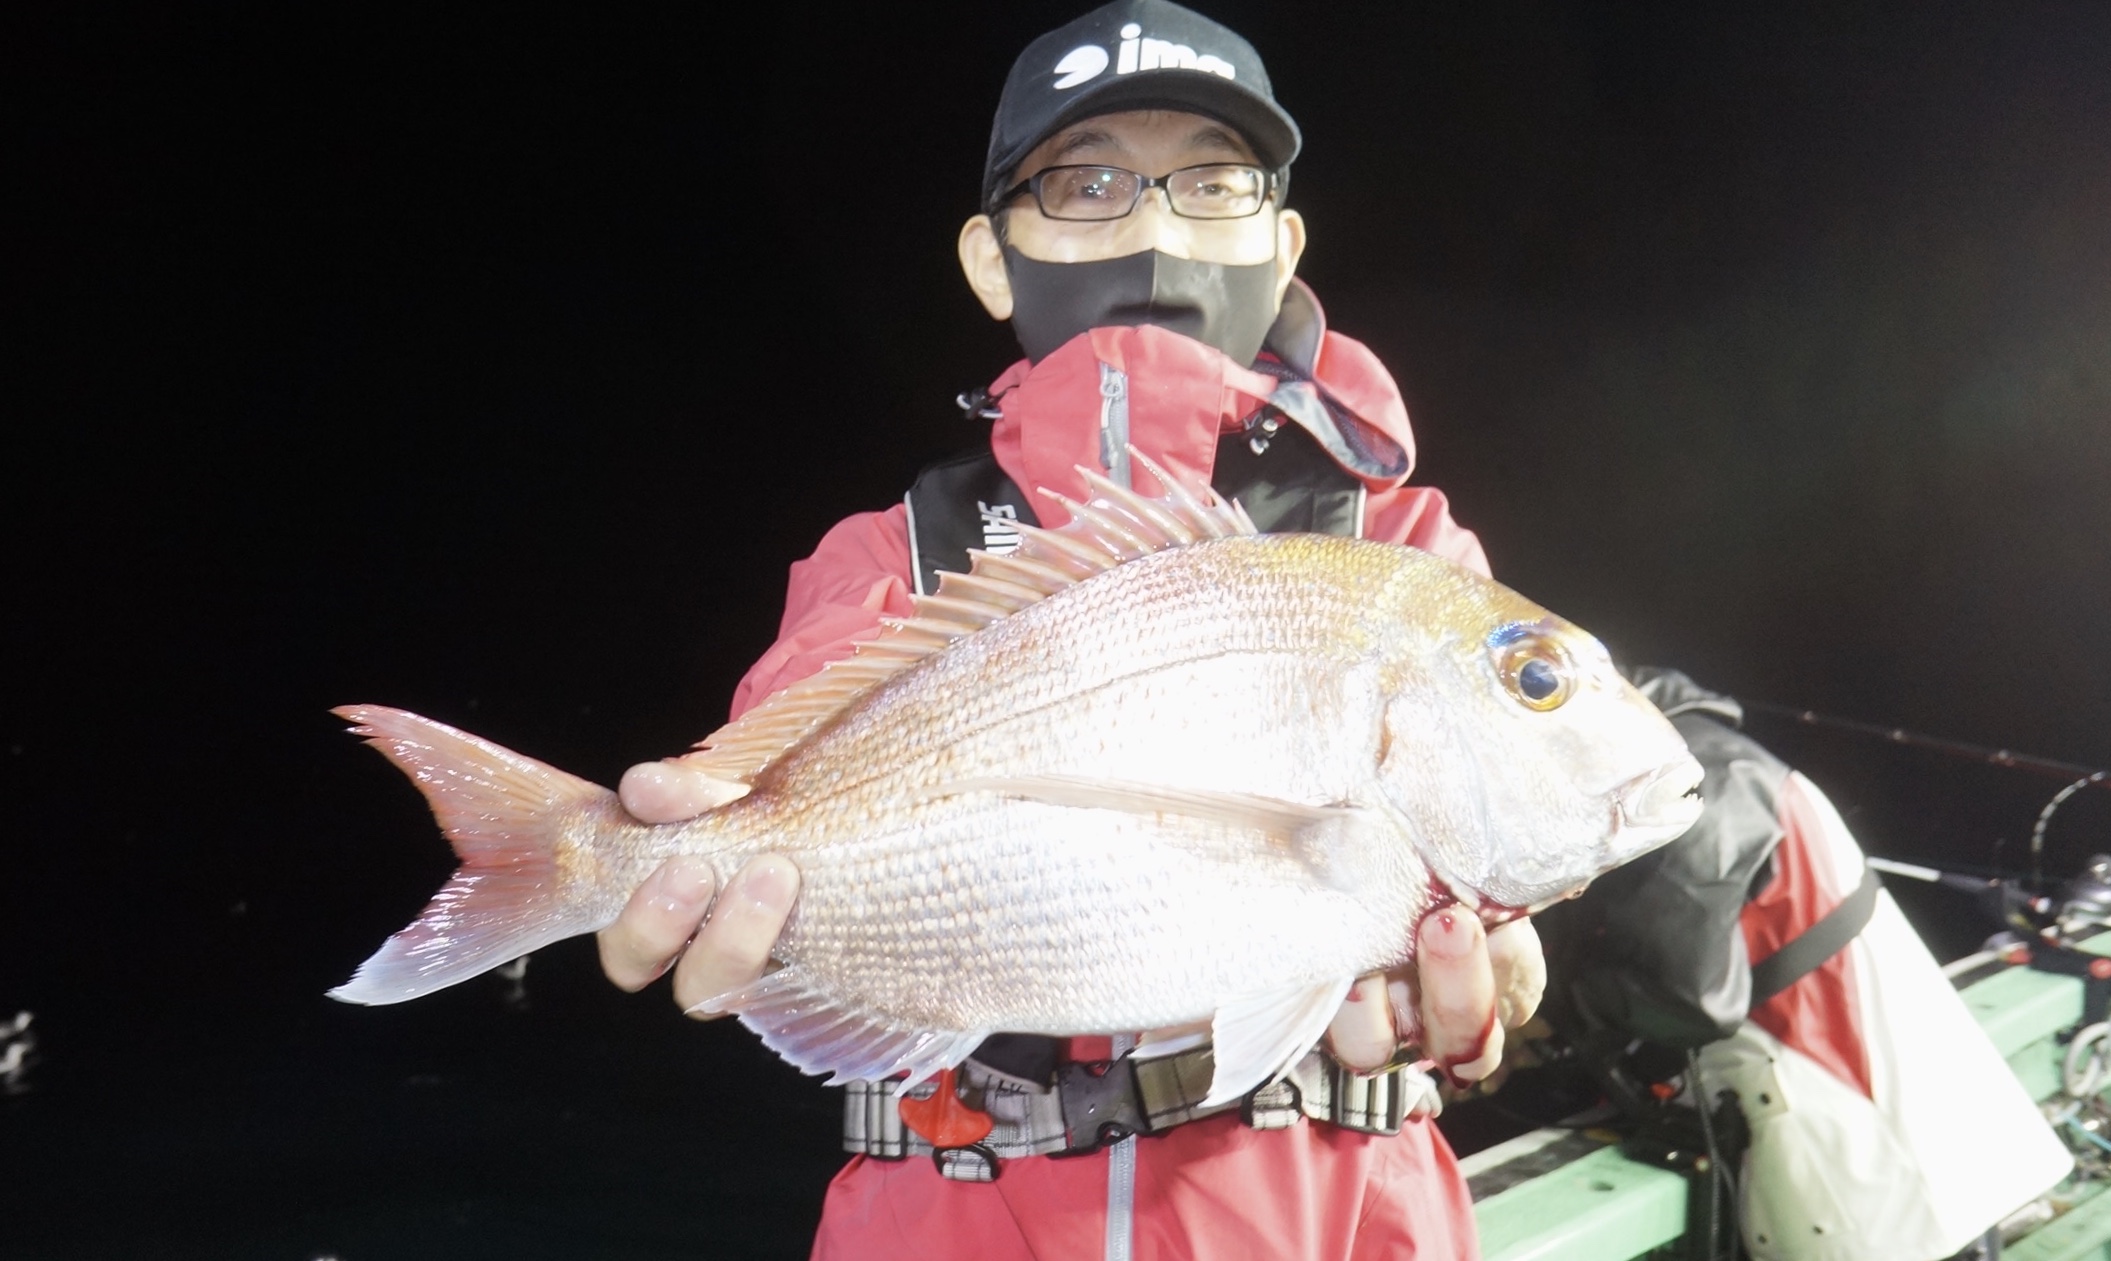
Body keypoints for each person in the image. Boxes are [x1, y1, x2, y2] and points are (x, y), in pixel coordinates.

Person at [598, 3, 1544, 1255]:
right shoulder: (886, 561)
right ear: (992, 259)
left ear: (1281, 244)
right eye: (1086, 184)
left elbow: (1488, 843)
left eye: (1213, 182)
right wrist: (695, 853)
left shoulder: (1403, 558)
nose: (1156, 230)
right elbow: (780, 760)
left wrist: (1506, 962)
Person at [1535, 668, 2071, 1261]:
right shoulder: (1712, 754)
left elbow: (1687, 999)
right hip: (1928, 1147)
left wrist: (1542, 1013)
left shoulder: (1696, 780)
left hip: (1871, 1163)